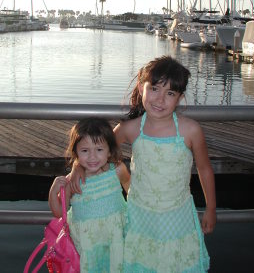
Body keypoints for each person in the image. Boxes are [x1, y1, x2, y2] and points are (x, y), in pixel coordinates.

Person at [71, 55, 216, 272]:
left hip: (177, 214)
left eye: (170, 93)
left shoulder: (190, 130)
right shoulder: (132, 128)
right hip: (140, 214)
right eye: (155, 89)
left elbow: (204, 169)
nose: (160, 100)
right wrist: (76, 167)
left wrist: (211, 208)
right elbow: (99, 148)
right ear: (141, 88)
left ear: (180, 98)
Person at [49, 117, 130, 273]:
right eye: (85, 151)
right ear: (76, 153)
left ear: (109, 151)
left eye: (99, 150)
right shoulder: (73, 182)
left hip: (116, 238)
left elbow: (130, 189)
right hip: (87, 245)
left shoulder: (118, 170)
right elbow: (60, 212)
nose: (92, 157)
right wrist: (54, 191)